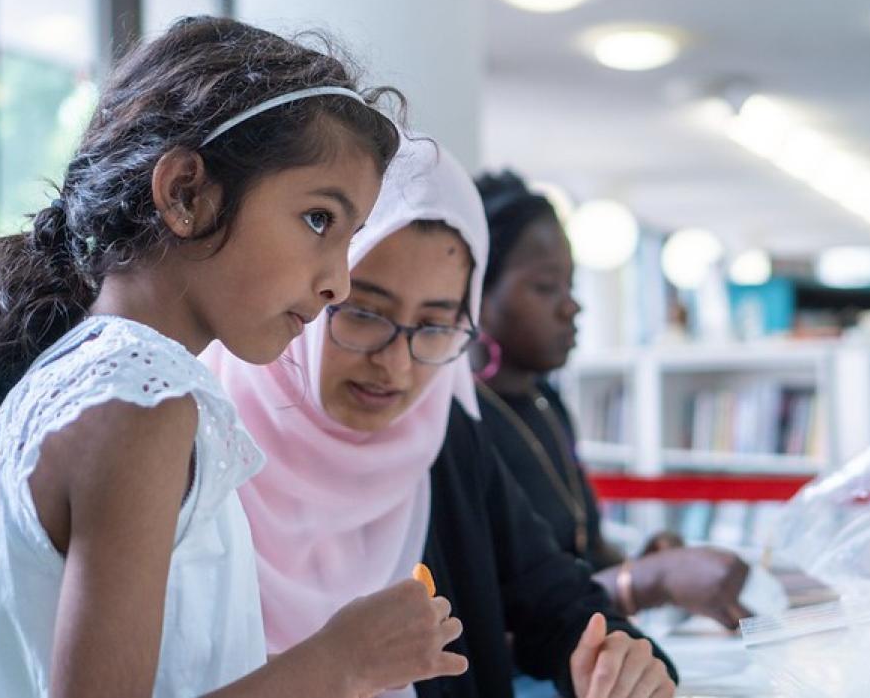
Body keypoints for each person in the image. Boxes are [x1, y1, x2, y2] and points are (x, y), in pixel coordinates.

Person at [0, 17, 465, 697]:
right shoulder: (139, 400)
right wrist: (339, 661)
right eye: (318, 219)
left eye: (346, 239)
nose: (337, 282)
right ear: (185, 193)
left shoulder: (94, 378)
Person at [206, 138, 677, 698]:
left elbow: (557, 602)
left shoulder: (442, 438)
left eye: (434, 326)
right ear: (314, 290)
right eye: (363, 313)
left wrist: (617, 657)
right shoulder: (202, 443)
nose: (395, 364)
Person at [473, 171, 751, 630]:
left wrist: (643, 562)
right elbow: (502, 617)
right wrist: (646, 581)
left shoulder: (545, 403)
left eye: (571, 284)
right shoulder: (459, 424)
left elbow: (579, 555)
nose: (571, 306)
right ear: (475, 293)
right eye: (546, 288)